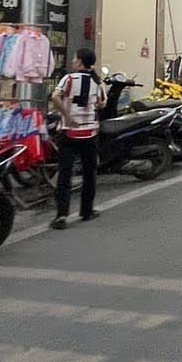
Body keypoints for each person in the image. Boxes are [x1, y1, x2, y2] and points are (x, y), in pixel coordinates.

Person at [49, 47, 106, 230]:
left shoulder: (69, 79)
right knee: (89, 173)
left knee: (65, 174)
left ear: (80, 61)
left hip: (69, 133)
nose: (73, 61)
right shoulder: (97, 81)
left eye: (75, 58)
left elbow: (55, 97)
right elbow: (102, 103)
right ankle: (86, 211)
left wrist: (67, 115)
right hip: (89, 133)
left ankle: (61, 215)